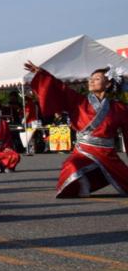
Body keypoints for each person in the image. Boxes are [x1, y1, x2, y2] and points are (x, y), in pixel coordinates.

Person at [25, 61, 127, 197]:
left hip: (108, 153)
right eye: (90, 79)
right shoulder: (79, 101)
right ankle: (83, 182)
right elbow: (61, 89)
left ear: (108, 84)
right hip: (84, 150)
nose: (91, 81)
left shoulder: (119, 108)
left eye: (96, 79)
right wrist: (42, 75)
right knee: (72, 164)